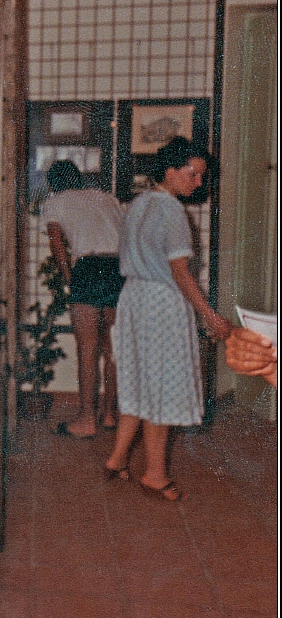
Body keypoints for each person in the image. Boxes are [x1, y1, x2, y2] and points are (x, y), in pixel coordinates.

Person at [104, 137, 233, 501]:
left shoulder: (137, 203)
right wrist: (209, 316)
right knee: (160, 386)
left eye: (201, 176)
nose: (198, 182)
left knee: (139, 381)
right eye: (193, 174)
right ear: (170, 171)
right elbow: (180, 272)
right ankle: (155, 474)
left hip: (133, 299)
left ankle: (115, 459)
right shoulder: (173, 211)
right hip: (161, 303)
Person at [41, 159, 126, 437]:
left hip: (89, 268)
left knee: (87, 348)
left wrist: (68, 276)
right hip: (119, 268)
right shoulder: (107, 198)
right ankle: (110, 414)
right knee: (112, 348)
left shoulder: (54, 202)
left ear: (53, 184)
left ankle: (86, 419)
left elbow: (57, 243)